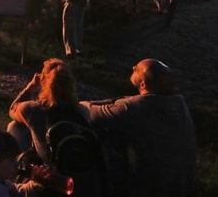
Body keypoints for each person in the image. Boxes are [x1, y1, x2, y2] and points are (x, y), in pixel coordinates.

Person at [81, 59, 196, 197]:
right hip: (182, 185)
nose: (133, 67)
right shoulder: (178, 102)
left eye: (137, 69)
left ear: (142, 84)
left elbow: (90, 113)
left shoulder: (133, 108)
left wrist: (82, 102)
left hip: (152, 188)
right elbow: (126, 100)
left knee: (108, 132)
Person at [7, 58, 89, 162]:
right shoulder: (83, 111)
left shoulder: (35, 110)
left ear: (43, 82)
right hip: (79, 166)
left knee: (14, 126)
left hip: (50, 165)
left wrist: (31, 86)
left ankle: (13, 166)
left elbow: (12, 109)